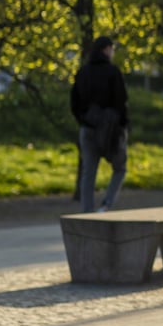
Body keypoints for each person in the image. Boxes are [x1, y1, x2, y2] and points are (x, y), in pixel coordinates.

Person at [69, 35, 129, 213]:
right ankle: (106, 204)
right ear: (106, 49)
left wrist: (83, 120)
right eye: (112, 49)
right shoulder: (113, 72)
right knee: (120, 168)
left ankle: (87, 211)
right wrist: (123, 126)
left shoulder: (83, 72)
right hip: (111, 130)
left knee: (89, 172)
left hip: (88, 128)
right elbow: (121, 101)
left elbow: (74, 102)